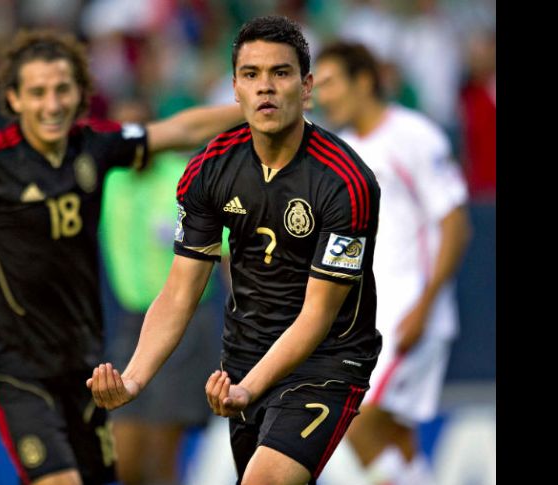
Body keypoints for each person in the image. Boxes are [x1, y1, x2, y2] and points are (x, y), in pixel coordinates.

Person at [0, 29, 243, 485]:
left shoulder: (93, 145)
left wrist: (253, 109)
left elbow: (177, 130)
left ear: (80, 93)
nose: (51, 104)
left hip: (86, 360)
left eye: (62, 90)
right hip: (17, 364)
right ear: (15, 100)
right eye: (37, 92)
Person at [87, 16, 382, 485]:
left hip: (325, 361)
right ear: (235, 89)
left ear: (306, 88)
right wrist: (134, 380)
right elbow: (180, 291)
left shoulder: (346, 181)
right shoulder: (208, 171)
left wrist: (250, 387)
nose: (265, 87)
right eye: (251, 75)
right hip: (243, 359)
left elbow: (317, 315)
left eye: (280, 73)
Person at [313, 42, 471, 485]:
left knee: (349, 415)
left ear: (363, 81)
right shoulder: (345, 152)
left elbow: (456, 225)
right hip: (373, 318)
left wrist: (424, 306)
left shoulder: (414, 136)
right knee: (396, 438)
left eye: (330, 83)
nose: (323, 96)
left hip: (410, 313)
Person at [99, 99, 224, 485]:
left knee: (159, 457)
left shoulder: (185, 179)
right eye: (122, 135)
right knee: (125, 461)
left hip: (183, 325)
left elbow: (227, 254)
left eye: (139, 133)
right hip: (130, 324)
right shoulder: (107, 182)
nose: (131, 143)